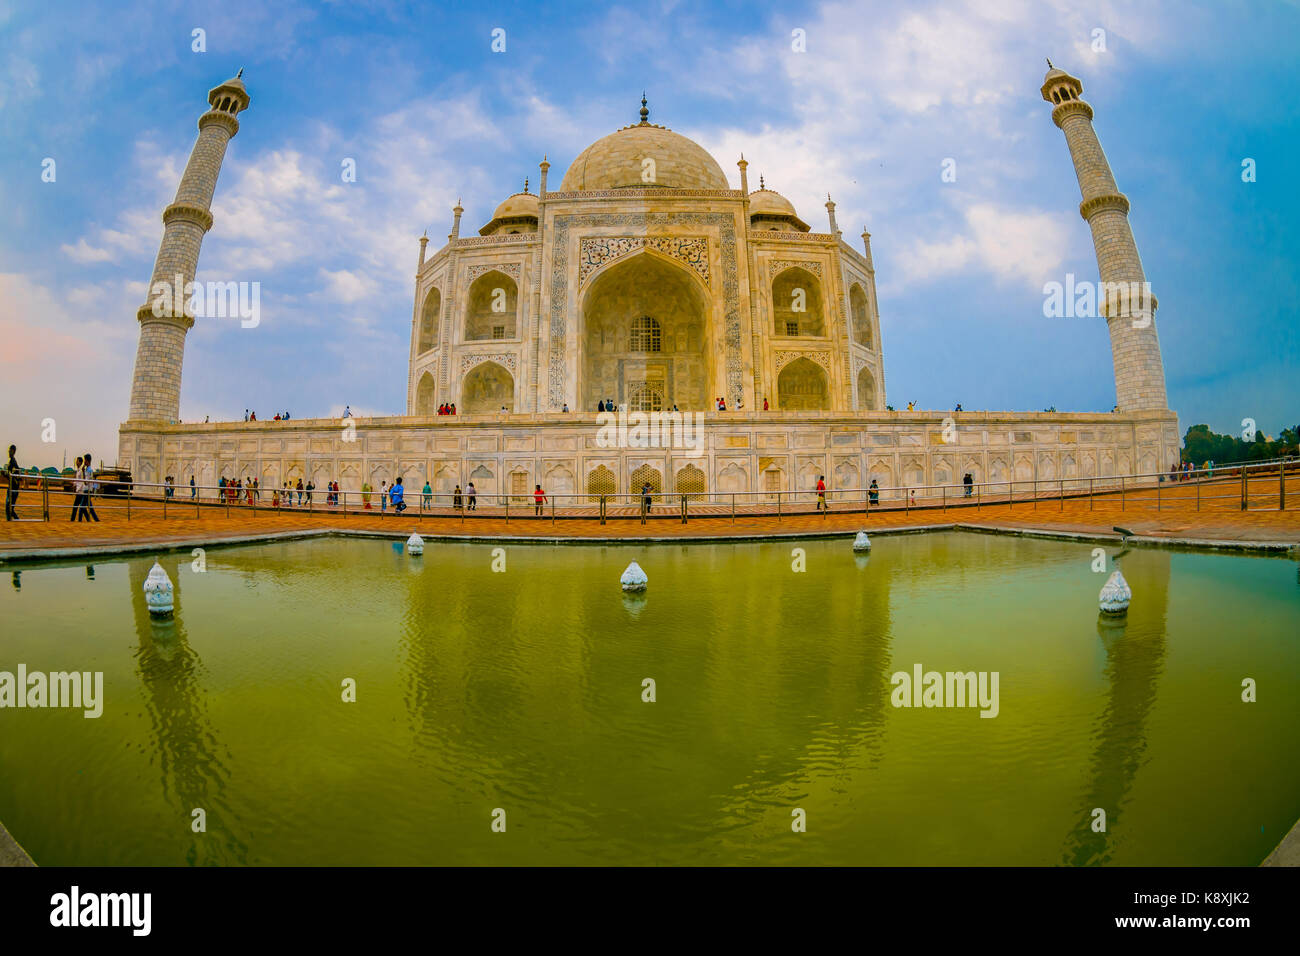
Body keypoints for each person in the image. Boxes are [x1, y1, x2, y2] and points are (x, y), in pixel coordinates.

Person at [4, 445, 18, 520]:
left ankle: (10, 522)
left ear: (13, 451)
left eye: (10, 450)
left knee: (8, 507)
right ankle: (15, 521)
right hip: (13, 486)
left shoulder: (12, 461)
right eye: (8, 450)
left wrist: (5, 474)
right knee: (10, 508)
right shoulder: (12, 461)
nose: (8, 452)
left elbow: (13, 474)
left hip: (13, 487)